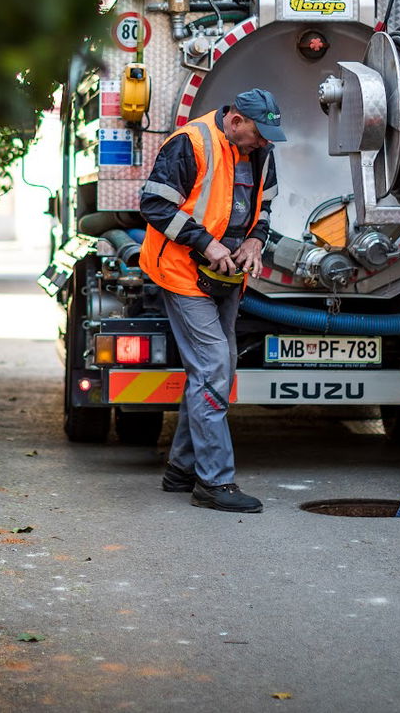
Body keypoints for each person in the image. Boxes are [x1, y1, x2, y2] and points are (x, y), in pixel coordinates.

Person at [139, 88, 284, 514]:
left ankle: (182, 470)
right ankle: (214, 482)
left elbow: (266, 206)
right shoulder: (190, 142)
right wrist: (208, 244)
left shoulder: (261, 150)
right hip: (183, 273)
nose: (264, 142)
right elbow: (153, 204)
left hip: (226, 277)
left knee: (216, 369)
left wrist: (255, 241)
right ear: (235, 120)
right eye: (258, 133)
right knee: (213, 368)